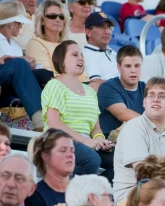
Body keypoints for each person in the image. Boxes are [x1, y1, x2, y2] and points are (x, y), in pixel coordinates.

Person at [112, 77, 165, 202]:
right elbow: (145, 175)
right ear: (144, 102)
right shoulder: (134, 127)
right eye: (151, 95)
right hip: (134, 198)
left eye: (162, 96)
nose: (156, 99)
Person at [41, 40, 114, 177]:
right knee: (91, 159)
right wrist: (85, 141)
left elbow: (96, 128)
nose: (80, 58)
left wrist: (99, 140)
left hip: (86, 142)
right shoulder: (55, 85)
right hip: (59, 139)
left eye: (82, 55)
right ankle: (71, 194)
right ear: (62, 61)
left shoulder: (90, 91)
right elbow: (54, 124)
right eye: (75, 55)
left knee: (121, 162)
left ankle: (93, 193)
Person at [0, 0, 48, 113]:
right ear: (11, 24)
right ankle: (39, 115)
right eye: (20, 23)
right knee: (19, 64)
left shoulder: (14, 44)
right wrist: (21, 62)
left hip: (10, 86)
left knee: (43, 74)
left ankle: (49, 112)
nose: (21, 26)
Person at [25, 129, 74, 206]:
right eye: (63, 150)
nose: (70, 155)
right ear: (46, 157)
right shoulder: (35, 196)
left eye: (72, 151)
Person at [96, 45, 146, 138]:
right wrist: (153, 125)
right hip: (113, 144)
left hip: (141, 138)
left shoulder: (146, 88)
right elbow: (122, 113)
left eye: (137, 66)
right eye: (128, 66)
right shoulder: (108, 87)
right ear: (119, 67)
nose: (133, 70)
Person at [81, 12, 118, 86]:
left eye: (109, 28)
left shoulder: (113, 52)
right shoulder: (85, 55)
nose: (107, 32)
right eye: (101, 27)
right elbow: (96, 83)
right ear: (88, 32)